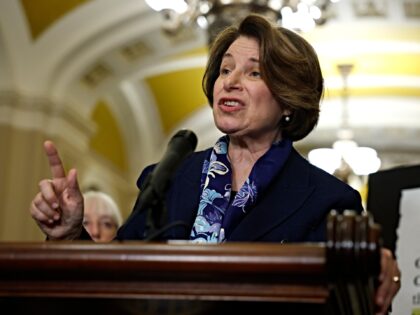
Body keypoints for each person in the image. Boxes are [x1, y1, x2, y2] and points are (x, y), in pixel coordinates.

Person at [29, 14, 400, 314]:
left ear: (289, 100)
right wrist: (69, 234)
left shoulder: (329, 200)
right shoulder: (168, 178)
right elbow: (116, 282)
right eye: (225, 70)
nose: (231, 82)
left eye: (254, 72)